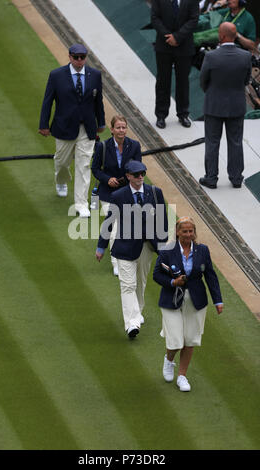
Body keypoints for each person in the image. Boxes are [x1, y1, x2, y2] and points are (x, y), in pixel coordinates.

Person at [96, 160, 168, 339]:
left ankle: (137, 312)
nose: (140, 177)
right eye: (136, 174)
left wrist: (163, 246)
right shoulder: (119, 195)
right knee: (127, 285)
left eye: (143, 173)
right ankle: (132, 323)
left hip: (147, 246)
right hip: (125, 248)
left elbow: (163, 221)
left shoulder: (155, 193)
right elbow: (109, 222)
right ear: (128, 176)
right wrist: (101, 246)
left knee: (140, 283)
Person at [153, 216, 223, 392]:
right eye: (184, 231)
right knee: (176, 340)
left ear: (194, 233)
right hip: (171, 300)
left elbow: (210, 276)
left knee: (190, 339)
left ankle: (182, 376)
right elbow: (157, 275)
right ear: (177, 232)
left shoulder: (203, 251)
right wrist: (172, 283)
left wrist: (218, 300)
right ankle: (169, 361)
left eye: (191, 231)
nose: (188, 234)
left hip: (196, 300)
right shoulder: (167, 251)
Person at [39, 43, 105, 217]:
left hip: (87, 128)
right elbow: (48, 101)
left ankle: (81, 204)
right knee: (61, 162)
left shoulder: (95, 75)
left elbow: (98, 101)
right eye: (76, 57)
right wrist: (43, 124)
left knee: (83, 165)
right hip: (64, 126)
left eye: (82, 57)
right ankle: (61, 180)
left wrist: (102, 123)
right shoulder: (56, 75)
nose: (79, 60)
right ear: (69, 57)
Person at [199, 22, 252, 189]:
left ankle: (211, 178)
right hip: (236, 105)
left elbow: (203, 81)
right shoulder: (245, 56)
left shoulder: (211, 56)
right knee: (235, 142)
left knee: (212, 142)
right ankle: (236, 178)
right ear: (234, 36)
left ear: (221, 36)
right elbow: (246, 80)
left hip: (214, 105)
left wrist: (213, 92)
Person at [91, 115, 142, 276]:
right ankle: (116, 262)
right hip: (107, 193)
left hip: (127, 193)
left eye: (124, 127)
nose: (121, 130)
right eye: (118, 127)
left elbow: (138, 168)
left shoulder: (134, 146)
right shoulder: (102, 147)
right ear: (112, 130)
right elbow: (95, 169)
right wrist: (108, 179)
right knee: (114, 226)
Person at [151, 0, 200, 129]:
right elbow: (155, 18)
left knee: (183, 81)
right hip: (164, 45)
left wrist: (177, 37)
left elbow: (194, 19)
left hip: (184, 46)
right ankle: (161, 115)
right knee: (163, 80)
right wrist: (168, 36)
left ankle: (183, 114)